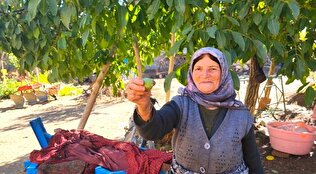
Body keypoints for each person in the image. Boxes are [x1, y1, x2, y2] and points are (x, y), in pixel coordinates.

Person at [126, 47, 264, 174]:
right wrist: (144, 106)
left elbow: (252, 158)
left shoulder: (241, 114)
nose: (205, 74)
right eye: (198, 68)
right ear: (191, 73)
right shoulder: (180, 105)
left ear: (223, 73)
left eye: (213, 69)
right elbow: (154, 130)